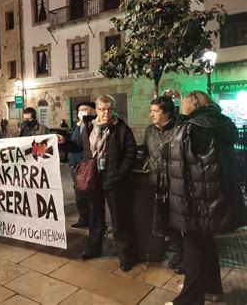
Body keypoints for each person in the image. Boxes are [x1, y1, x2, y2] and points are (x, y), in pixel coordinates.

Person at [166, 91, 246, 305]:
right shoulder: (222, 124)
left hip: (197, 200)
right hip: (216, 198)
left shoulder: (192, 128)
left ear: (189, 105)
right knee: (206, 244)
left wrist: (182, 205)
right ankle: (212, 288)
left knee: (193, 248)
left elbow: (183, 169)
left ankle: (189, 299)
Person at [64, 94, 137, 271]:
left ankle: (125, 255)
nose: (106, 112)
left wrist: (118, 174)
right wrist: (64, 142)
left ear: (113, 109)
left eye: (109, 109)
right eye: (103, 109)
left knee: (119, 219)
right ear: (97, 110)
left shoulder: (121, 129)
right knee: (95, 217)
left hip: (114, 181)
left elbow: (130, 154)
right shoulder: (89, 127)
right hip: (93, 179)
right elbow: (79, 146)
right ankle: (94, 249)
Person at [143, 96, 184, 274]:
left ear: (166, 112)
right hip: (156, 184)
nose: (151, 114)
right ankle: (177, 253)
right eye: (151, 110)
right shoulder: (150, 131)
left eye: (155, 111)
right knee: (164, 222)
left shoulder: (180, 129)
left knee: (179, 223)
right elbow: (146, 152)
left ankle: (183, 256)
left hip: (176, 185)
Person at [68, 101, 97, 229]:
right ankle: (83, 219)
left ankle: (93, 221)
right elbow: (74, 143)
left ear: (92, 111)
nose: (81, 112)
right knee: (79, 194)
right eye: (79, 110)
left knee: (90, 195)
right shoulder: (78, 125)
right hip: (74, 166)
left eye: (85, 109)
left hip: (86, 166)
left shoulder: (93, 125)